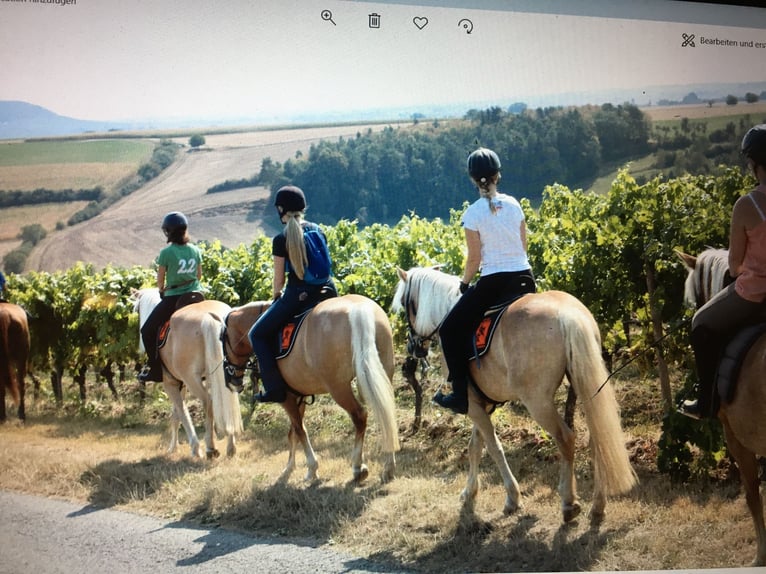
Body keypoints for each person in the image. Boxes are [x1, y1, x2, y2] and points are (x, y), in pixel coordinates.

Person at [433, 147, 536, 415]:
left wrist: (465, 284)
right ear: (497, 176)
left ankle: (459, 395)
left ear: (472, 180)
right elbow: (523, 247)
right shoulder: (514, 205)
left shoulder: (473, 213)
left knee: (449, 330)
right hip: (525, 279)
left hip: (494, 285)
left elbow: (474, 259)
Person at [680, 124, 766, 419]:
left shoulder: (747, 205)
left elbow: (735, 265)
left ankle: (706, 402)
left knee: (700, 323)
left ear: (754, 164)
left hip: (755, 294)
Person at [248, 185, 337, 403]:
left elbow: (279, 281)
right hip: (328, 290)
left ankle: (274, 389)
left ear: (281, 210)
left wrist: (276, 293)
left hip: (299, 295)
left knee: (256, 335)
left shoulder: (281, 239)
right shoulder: (318, 229)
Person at [138, 211, 202, 383]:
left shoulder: (166, 252)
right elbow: (199, 275)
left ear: (168, 232)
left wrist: (162, 289)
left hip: (175, 298)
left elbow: (160, 281)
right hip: (197, 296)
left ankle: (155, 370)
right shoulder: (196, 250)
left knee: (147, 330)